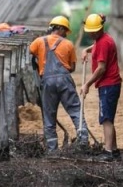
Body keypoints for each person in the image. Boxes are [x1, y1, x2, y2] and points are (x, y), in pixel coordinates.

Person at [29, 16, 88, 152]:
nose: (66, 33)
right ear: (60, 28)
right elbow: (72, 68)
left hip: (47, 82)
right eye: (65, 30)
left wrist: (41, 59)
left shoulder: (38, 41)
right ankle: (83, 140)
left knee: (49, 115)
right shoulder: (68, 44)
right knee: (75, 110)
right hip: (64, 80)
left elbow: (30, 53)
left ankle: (52, 150)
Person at [79, 14, 122, 162]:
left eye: (93, 32)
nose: (90, 34)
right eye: (89, 31)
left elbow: (101, 68)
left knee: (106, 119)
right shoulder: (102, 39)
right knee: (108, 117)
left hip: (108, 84)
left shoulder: (103, 42)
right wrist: (87, 50)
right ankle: (114, 151)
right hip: (111, 84)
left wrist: (87, 84)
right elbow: (97, 45)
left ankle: (108, 152)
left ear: (100, 29)